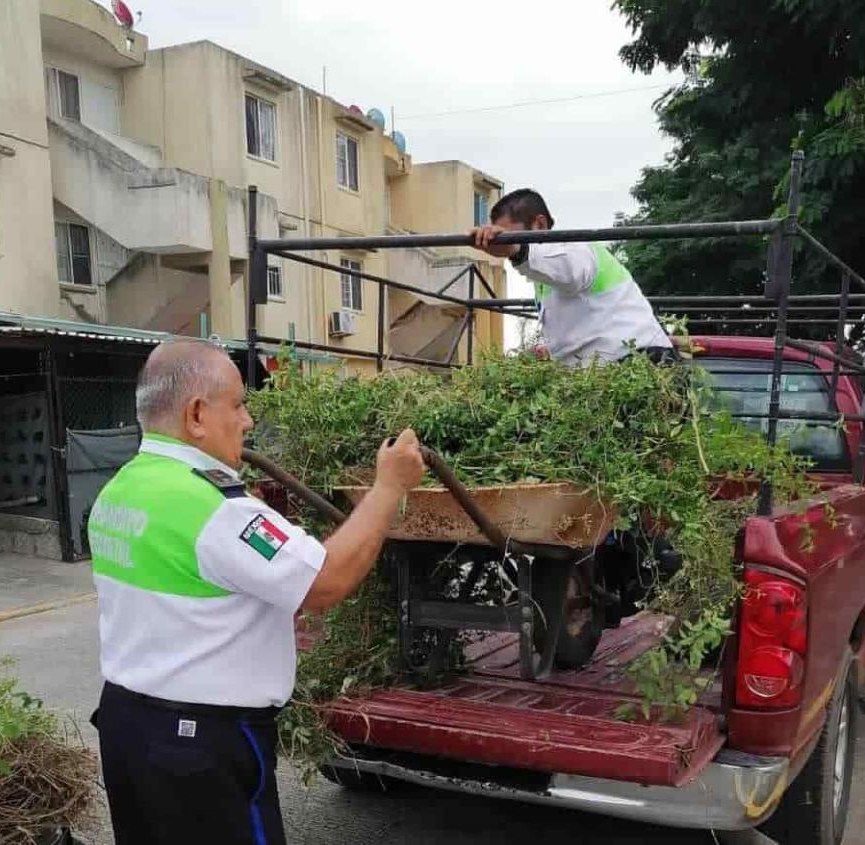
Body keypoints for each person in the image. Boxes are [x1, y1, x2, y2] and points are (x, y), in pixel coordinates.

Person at [88, 338, 425, 845]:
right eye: (240, 405)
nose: (248, 421)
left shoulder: (121, 488)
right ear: (197, 415)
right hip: (202, 746)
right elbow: (325, 580)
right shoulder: (217, 509)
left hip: (127, 728)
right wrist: (389, 488)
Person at [471, 188, 674, 366]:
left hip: (641, 363)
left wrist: (516, 248)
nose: (505, 246)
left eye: (510, 236)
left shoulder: (576, 249)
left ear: (539, 224)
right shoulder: (541, 275)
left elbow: (569, 268)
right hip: (603, 376)